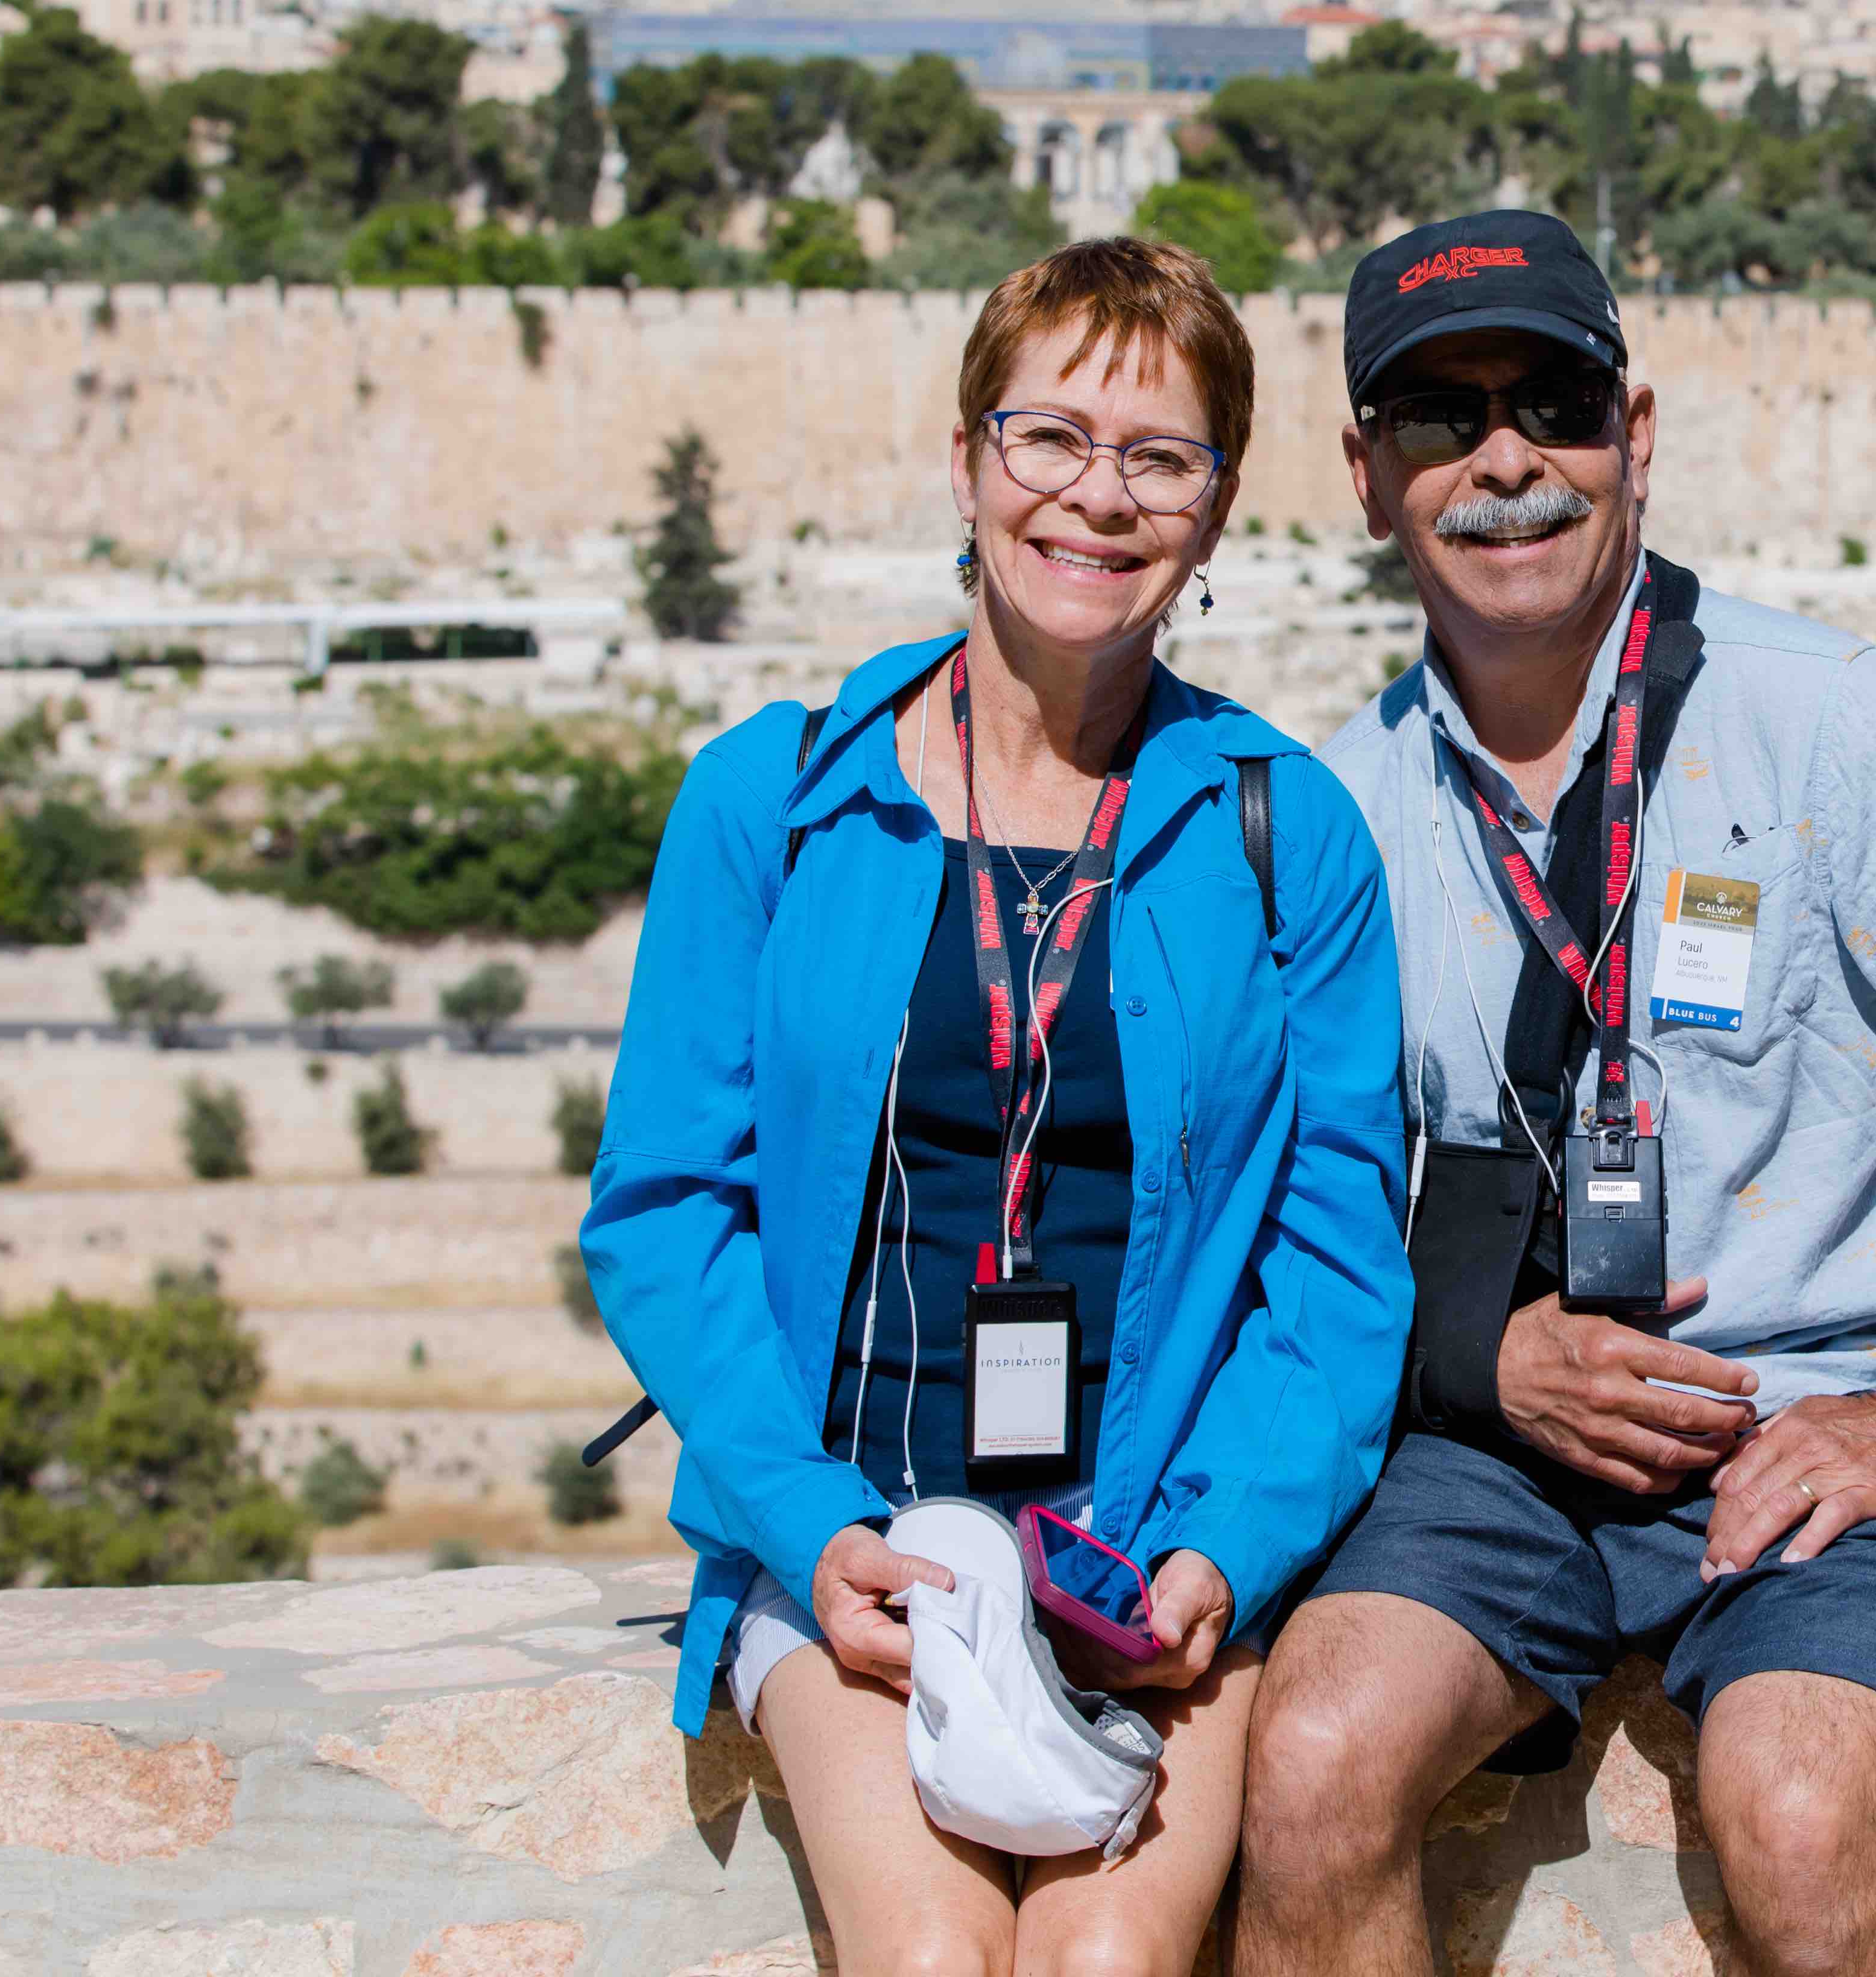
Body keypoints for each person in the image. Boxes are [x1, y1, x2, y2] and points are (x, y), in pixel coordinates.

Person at [1235, 212, 1876, 1977]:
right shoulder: (1334, 804)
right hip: (1499, 1454)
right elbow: (1312, 1203)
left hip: (1817, 1436)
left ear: (1638, 436)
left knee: (1801, 1816)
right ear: (1372, 478)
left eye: (1555, 403)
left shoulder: (1823, 720)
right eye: (1442, 419)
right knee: (1308, 1768)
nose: (1505, 459)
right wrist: (1491, 1355)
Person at [586, 238, 1411, 1977]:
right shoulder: (775, 800)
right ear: (967, 463)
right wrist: (811, 1535)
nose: (1096, 500)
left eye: (1158, 458)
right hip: (856, 1536)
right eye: (1049, 441)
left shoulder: (1286, 833)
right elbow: (665, 1214)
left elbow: (1341, 1262)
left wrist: (1219, 1550)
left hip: (1144, 1549)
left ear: (1215, 508)